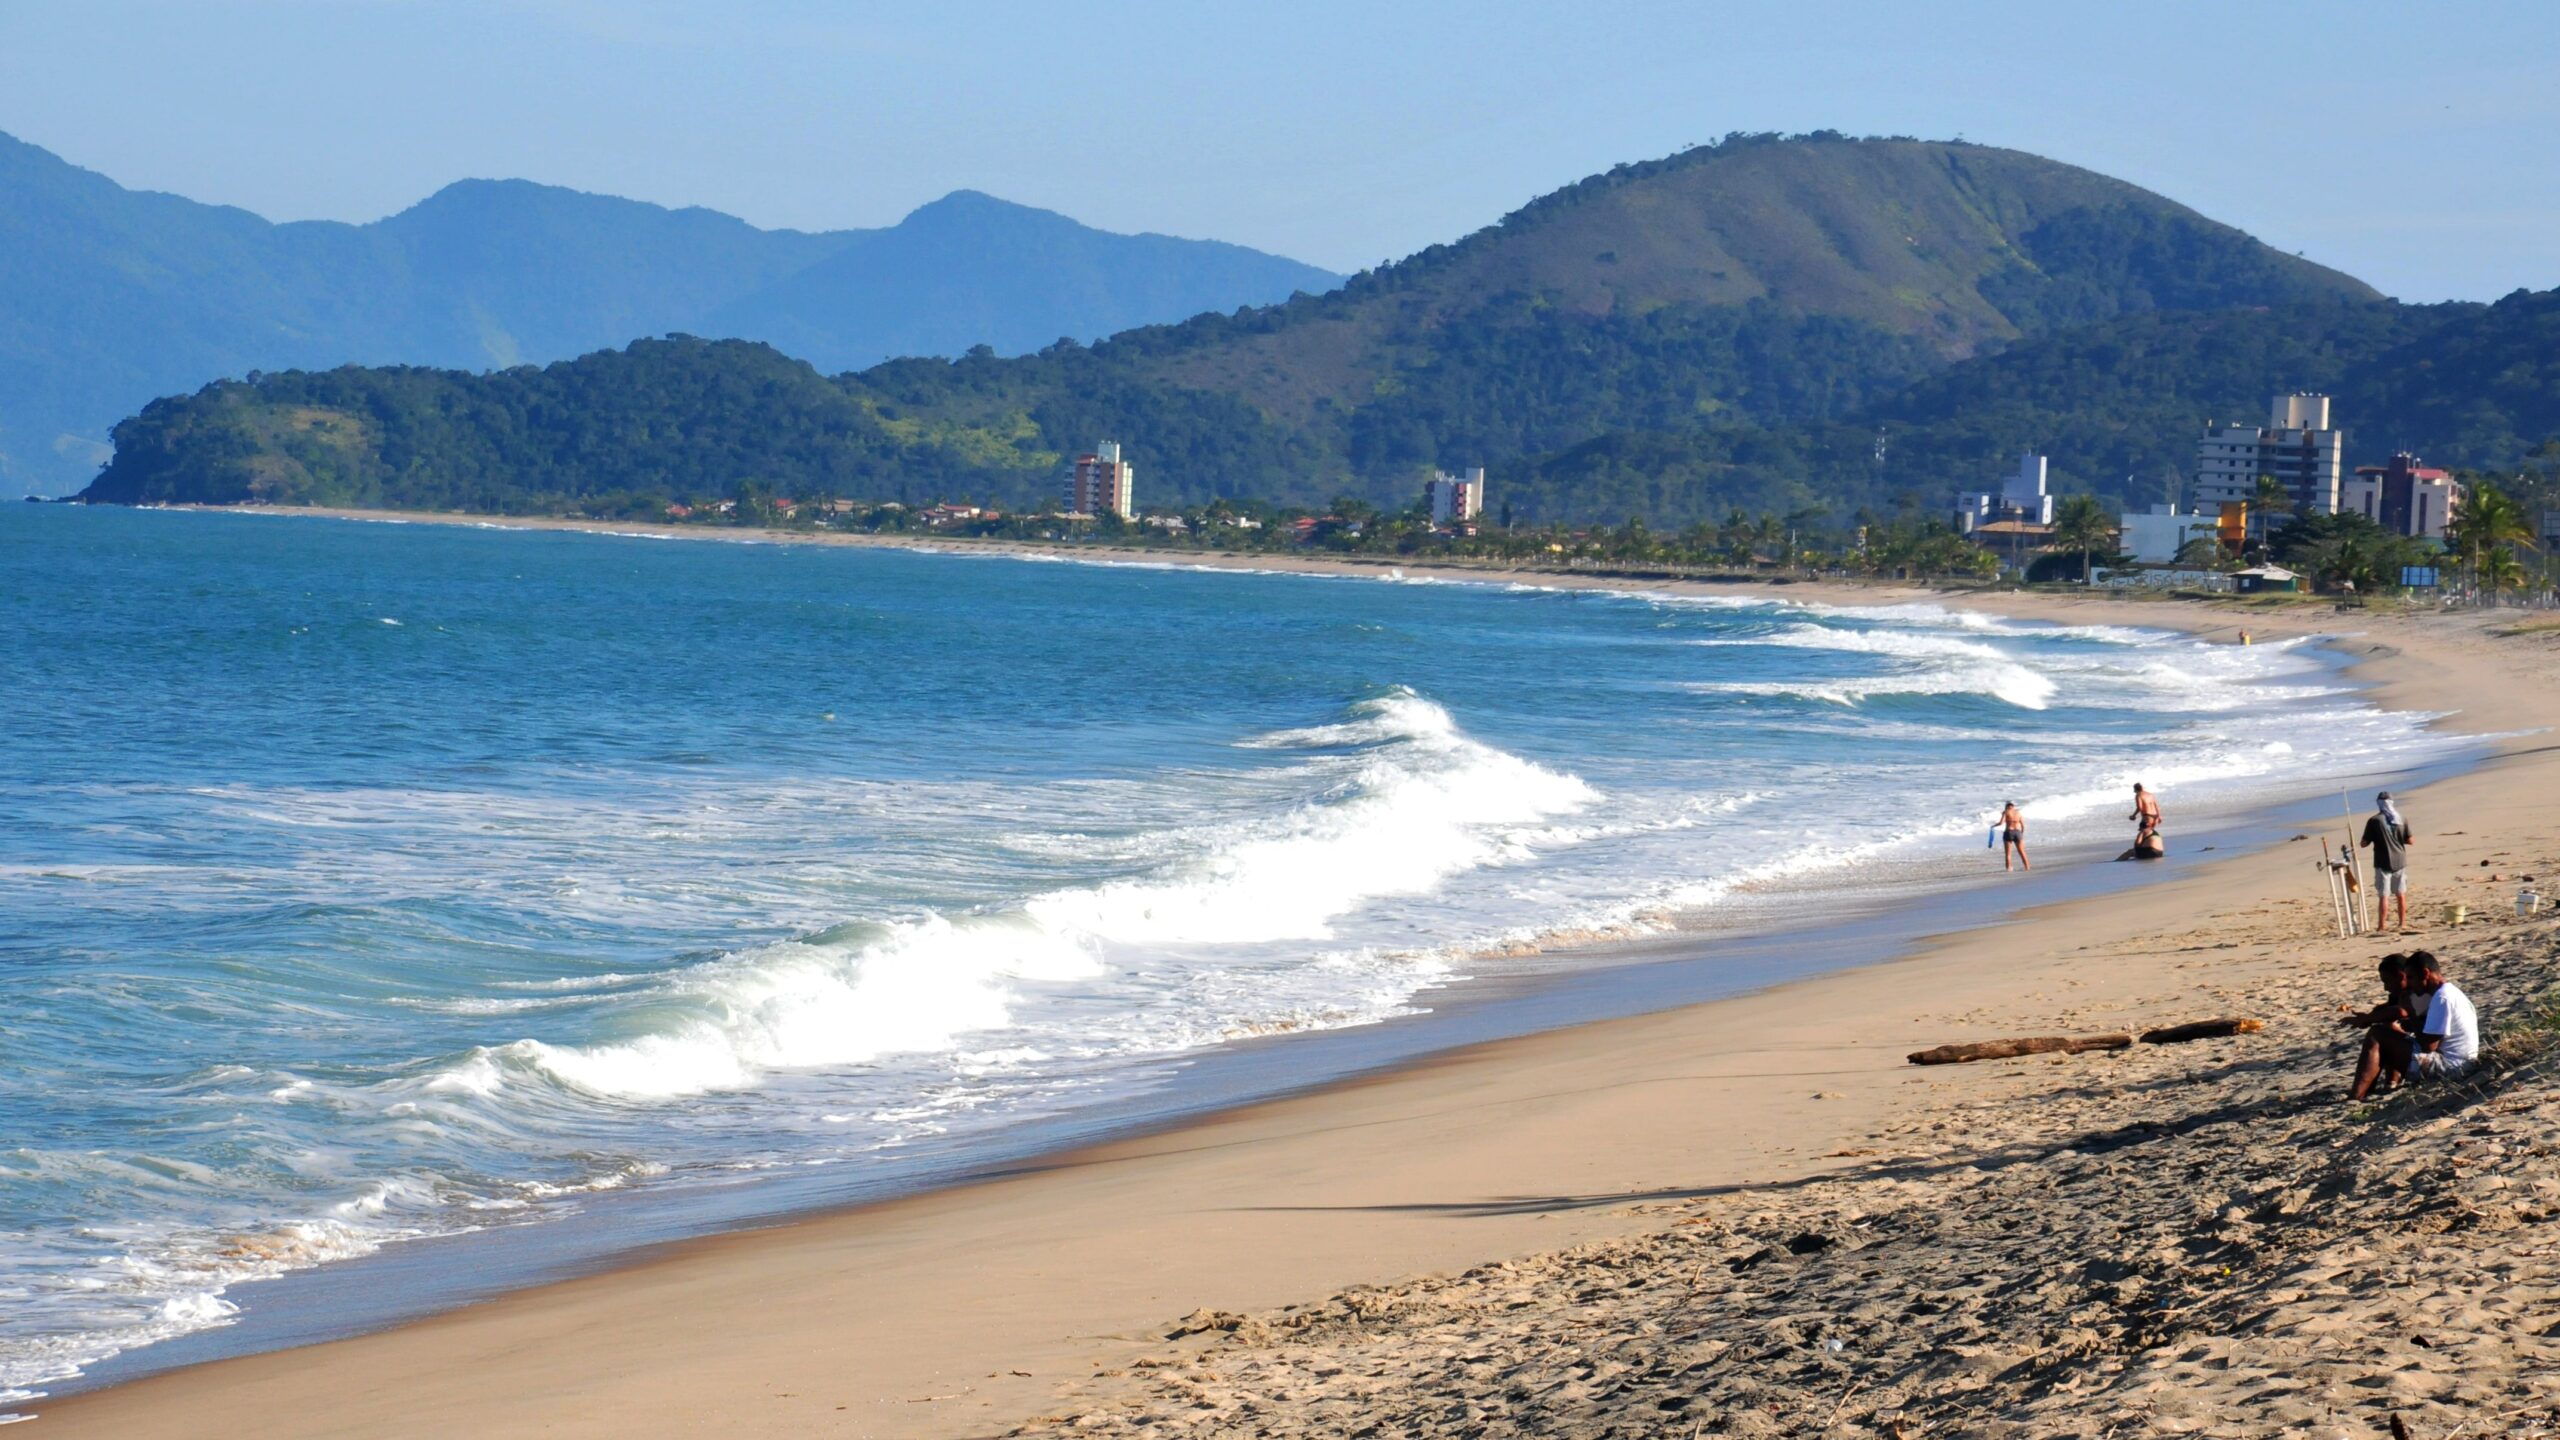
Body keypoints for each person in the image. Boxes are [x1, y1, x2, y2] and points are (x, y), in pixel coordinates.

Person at [2349, 951, 2479, 1099]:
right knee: (2388, 1034)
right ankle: (2369, 1091)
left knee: (2377, 1034)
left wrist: (2411, 1012)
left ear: (2425, 973)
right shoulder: (2450, 992)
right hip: (2462, 1063)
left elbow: (2428, 1047)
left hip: (2452, 1068)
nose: (2409, 983)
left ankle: (2356, 1096)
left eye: (2411, 977)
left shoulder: (2442, 997)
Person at [2344, 953, 2417, 1100]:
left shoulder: (2415, 991)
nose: (2385, 988)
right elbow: (2389, 1009)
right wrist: (2370, 1017)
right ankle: (2388, 1082)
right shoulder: (2402, 992)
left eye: (2387, 981)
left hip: (2428, 1057)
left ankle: (2358, 1094)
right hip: (2417, 1051)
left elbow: (2400, 1012)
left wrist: (2369, 1018)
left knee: (2379, 1033)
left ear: (2401, 976)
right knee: (2385, 1027)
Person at [2359, 790, 2413, 932]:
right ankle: (2402, 923)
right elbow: (2410, 840)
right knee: (2401, 894)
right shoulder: (2401, 818)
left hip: (2383, 862)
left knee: (2384, 895)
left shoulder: (2374, 821)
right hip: (2400, 860)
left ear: (2379, 804)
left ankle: (2382, 926)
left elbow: (2364, 843)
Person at [2117, 783, 2164, 861]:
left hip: (2147, 816)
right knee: (2150, 833)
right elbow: (2156, 805)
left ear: (2135, 789)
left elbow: (2140, 807)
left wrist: (2134, 815)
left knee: (2143, 832)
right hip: (2155, 816)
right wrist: (2159, 816)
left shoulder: (2139, 795)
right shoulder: (2150, 794)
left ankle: (2140, 851)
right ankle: (2149, 847)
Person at [1999, 800, 2029, 872]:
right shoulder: (2018, 813)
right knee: (2022, 851)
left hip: (2008, 832)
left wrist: (1993, 826)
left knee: (2008, 853)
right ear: (2013, 806)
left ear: (2007, 806)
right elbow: (2023, 825)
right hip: (2018, 832)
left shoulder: (2006, 812)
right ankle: (2027, 867)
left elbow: (2001, 823)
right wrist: (2021, 834)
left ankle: (2009, 868)